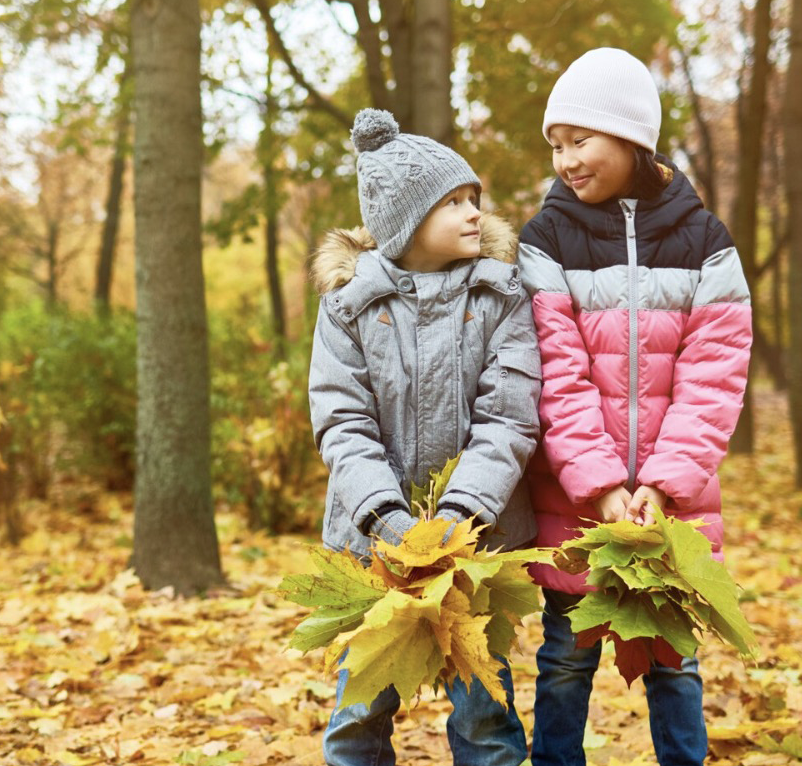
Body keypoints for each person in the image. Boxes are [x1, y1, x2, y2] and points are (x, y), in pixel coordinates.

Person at [516, 48, 754, 766]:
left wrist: (661, 482)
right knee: (564, 661)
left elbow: (714, 377)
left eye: (579, 140)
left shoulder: (706, 244)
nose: (565, 160)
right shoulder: (545, 240)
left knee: (674, 665)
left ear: (631, 136)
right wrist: (598, 484)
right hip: (574, 501)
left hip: (669, 508)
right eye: (555, 145)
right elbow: (553, 374)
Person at [307, 107, 541, 766]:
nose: (474, 213)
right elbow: (342, 420)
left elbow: (510, 416)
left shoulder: (501, 299)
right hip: (376, 551)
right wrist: (388, 522)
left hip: (477, 548)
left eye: (475, 199)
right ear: (406, 222)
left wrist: (459, 516)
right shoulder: (350, 309)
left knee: (486, 719)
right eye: (453, 202)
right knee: (359, 715)